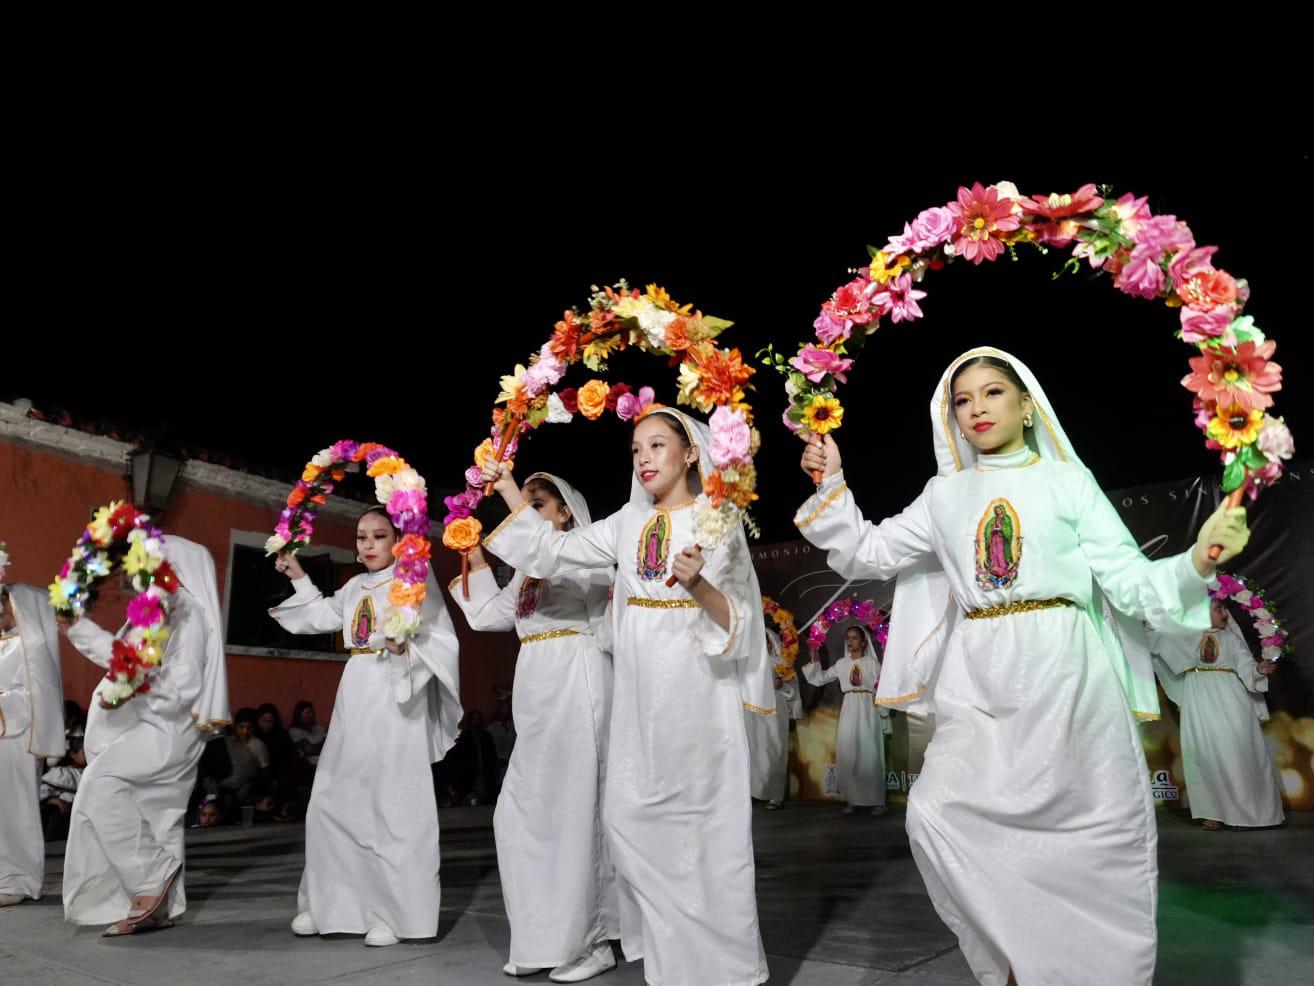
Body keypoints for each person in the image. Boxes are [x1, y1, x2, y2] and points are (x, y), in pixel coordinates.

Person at [794, 347, 1250, 985]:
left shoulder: (1066, 481)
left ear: (1028, 406)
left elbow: (1128, 580)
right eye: (962, 399)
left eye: (992, 393)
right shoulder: (944, 494)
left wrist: (1196, 564)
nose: (976, 408)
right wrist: (831, 484)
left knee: (1087, 842)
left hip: (1067, 671)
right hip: (978, 671)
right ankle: (1015, 965)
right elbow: (869, 550)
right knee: (937, 813)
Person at [481, 405, 772, 986]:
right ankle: (671, 957)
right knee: (627, 820)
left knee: (701, 828)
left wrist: (697, 583)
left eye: (657, 445)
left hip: (696, 689)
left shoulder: (718, 519)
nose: (643, 458)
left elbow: (741, 618)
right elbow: (556, 552)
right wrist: (510, 488)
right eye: (636, 448)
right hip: (638, 694)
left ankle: (721, 970)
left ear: (691, 453)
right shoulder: (625, 524)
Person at [269, 505, 462, 947]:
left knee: (390, 805)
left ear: (398, 540)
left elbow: (440, 638)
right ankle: (332, 904)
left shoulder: (413, 580)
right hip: (355, 693)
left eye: (379, 536)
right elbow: (319, 615)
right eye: (361, 537)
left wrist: (402, 648)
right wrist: (298, 573)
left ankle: (393, 913)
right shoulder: (354, 585)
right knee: (334, 799)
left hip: (396, 693)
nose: (369, 544)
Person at [453, 472, 618, 982]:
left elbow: (601, 609)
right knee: (520, 816)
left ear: (565, 512)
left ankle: (591, 941)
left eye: (537, 504)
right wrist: (473, 553)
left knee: (574, 815)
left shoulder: (583, 556)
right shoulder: (527, 575)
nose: (524, 513)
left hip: (578, 679)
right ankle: (542, 936)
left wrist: (505, 491)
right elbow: (483, 614)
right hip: (536, 689)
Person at [60, 536, 231, 935]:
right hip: (157, 727)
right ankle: (159, 908)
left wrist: (83, 632)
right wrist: (82, 633)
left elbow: (178, 682)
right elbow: (126, 659)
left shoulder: (185, 610)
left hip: (164, 732)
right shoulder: (159, 608)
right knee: (158, 814)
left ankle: (151, 877)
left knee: (100, 785)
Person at [1147, 596, 1284, 830]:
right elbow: (1154, 638)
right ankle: (1214, 812)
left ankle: (1247, 814)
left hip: (1230, 700)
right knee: (1204, 755)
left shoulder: (1231, 639)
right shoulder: (1184, 637)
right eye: (1218, 609)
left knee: (1236, 755)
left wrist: (1259, 669)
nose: (1224, 614)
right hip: (1198, 702)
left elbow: (1247, 667)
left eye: (1224, 609)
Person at [0, 576, 65, 906]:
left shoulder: (33, 646)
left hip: (18, 737)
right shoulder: (4, 643)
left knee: (17, 809)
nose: (2, 611)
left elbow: (34, 694)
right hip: (3, 734)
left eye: (7, 605)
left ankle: (20, 879)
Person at [801, 625, 891, 815]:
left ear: (864, 641)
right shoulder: (841, 664)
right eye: (848, 638)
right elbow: (819, 678)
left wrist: (881, 705)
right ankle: (853, 799)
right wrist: (814, 658)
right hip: (849, 708)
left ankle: (877, 801)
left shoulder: (872, 664)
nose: (850, 642)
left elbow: (884, 687)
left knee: (870, 751)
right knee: (848, 750)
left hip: (868, 709)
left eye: (855, 638)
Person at [747, 626, 802, 810]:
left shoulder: (780, 663)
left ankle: (775, 795)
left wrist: (781, 685)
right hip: (755, 711)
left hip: (775, 709)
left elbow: (792, 689)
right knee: (755, 749)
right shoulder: (749, 662)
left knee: (775, 748)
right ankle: (756, 791)